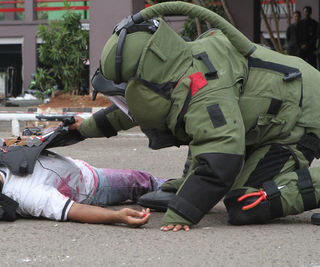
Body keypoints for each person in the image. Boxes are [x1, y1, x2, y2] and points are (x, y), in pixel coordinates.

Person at [65, 2, 320, 232]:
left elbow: (222, 158)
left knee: (245, 203)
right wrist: (82, 128)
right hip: (263, 121)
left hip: (299, 120)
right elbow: (130, 112)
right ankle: (191, 186)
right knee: (204, 139)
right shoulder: (173, 74)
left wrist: (182, 212)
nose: (124, 101)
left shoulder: (204, 88)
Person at [0, 151, 164, 226]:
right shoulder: (28, 194)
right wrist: (117, 216)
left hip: (70, 165)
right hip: (92, 184)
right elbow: (74, 210)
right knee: (141, 182)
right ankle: (181, 191)